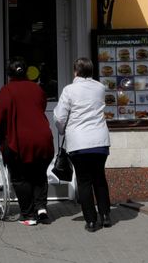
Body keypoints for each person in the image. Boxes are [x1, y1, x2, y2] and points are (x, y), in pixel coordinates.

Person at [0, 58, 54, 226]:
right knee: (39, 175)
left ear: (9, 74)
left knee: (20, 178)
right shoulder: (37, 89)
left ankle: (28, 215)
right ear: (26, 72)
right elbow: (40, 106)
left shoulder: (7, 90)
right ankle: (41, 209)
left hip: (18, 141)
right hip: (42, 138)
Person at [54, 57, 111, 232]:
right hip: (100, 141)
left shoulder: (69, 90)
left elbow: (59, 117)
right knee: (99, 178)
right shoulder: (100, 88)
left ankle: (91, 221)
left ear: (76, 71)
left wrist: (62, 130)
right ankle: (106, 215)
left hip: (79, 143)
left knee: (84, 181)